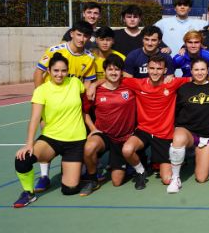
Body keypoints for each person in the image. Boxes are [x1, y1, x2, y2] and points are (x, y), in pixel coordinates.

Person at [13, 53, 87, 207]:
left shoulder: (75, 83)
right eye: (56, 70)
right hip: (51, 138)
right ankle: (28, 193)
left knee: (69, 189)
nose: (60, 74)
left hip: (75, 140)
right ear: (49, 70)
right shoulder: (42, 90)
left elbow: (87, 90)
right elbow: (34, 118)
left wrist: (95, 84)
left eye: (63, 70)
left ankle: (75, 169)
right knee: (22, 159)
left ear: (68, 71)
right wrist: (29, 144)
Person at [120, 55, 193, 190]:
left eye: (159, 69)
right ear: (147, 68)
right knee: (127, 150)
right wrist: (94, 84)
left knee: (166, 180)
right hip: (144, 130)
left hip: (164, 134)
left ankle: (177, 160)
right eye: (152, 68)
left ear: (165, 70)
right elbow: (114, 80)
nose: (155, 72)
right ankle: (141, 172)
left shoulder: (172, 83)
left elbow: (197, 77)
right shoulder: (138, 83)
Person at [80, 54, 137, 194]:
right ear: (104, 71)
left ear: (121, 72)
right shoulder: (95, 91)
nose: (113, 72)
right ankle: (92, 179)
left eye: (117, 69)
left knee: (117, 182)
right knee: (89, 148)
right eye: (110, 69)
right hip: (104, 135)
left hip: (124, 137)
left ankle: (126, 163)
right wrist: (93, 129)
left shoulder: (129, 86)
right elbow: (84, 112)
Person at [167, 58, 209, 193]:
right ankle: (175, 178)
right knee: (178, 137)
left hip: (207, 136)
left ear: (208, 71)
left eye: (203, 69)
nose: (200, 72)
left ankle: (203, 155)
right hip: (188, 133)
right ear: (191, 71)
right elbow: (175, 111)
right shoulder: (183, 89)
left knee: (201, 178)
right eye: (196, 69)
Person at [34, 20, 97, 87]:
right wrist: (39, 93)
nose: (81, 39)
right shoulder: (54, 51)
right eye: (79, 35)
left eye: (85, 36)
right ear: (72, 34)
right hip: (51, 95)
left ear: (89, 38)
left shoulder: (90, 57)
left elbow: (87, 81)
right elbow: (39, 72)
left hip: (72, 96)